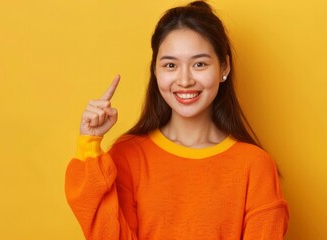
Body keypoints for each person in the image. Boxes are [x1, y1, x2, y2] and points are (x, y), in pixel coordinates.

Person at [65, 1, 289, 239]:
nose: (184, 80)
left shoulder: (255, 166)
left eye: (199, 64)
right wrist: (90, 143)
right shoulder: (128, 155)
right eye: (170, 65)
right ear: (155, 70)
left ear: (224, 66)